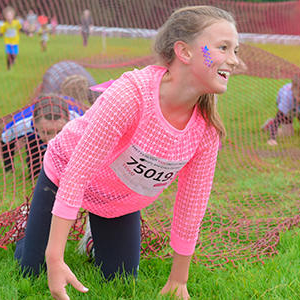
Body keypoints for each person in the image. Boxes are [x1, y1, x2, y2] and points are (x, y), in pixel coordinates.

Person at [14, 5, 240, 300]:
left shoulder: (207, 129)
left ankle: (93, 238)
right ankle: (29, 227)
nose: (234, 61)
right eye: (223, 48)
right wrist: (55, 258)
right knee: (32, 269)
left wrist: (179, 279)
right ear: (184, 52)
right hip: (65, 172)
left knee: (121, 278)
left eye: (236, 50)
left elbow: (192, 203)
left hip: (117, 199)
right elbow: (77, 174)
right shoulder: (131, 95)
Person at [1, 95, 84, 179]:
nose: (53, 139)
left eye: (59, 131)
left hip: (69, 137)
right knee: (35, 173)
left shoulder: (79, 121)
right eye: (47, 132)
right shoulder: (21, 125)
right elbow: (5, 141)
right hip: (35, 138)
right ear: (35, 123)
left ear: (68, 120)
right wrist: (9, 168)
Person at [262, 73, 300, 145]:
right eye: (299, 95)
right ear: (292, 90)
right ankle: (270, 124)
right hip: (289, 111)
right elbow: (278, 118)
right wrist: (272, 139)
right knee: (288, 134)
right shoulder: (287, 98)